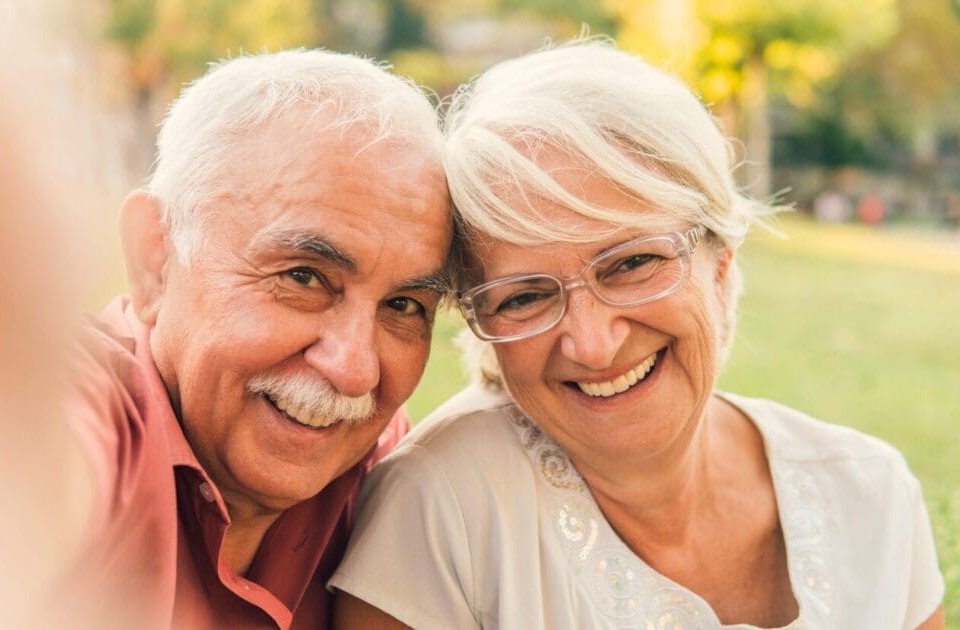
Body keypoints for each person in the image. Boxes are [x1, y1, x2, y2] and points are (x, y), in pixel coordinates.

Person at [330, 40, 945, 629]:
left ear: (720, 261)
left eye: (631, 263)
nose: (592, 344)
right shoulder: (441, 513)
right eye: (524, 297)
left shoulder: (870, 491)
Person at [63, 49, 452, 628]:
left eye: (403, 306)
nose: (353, 370)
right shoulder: (70, 407)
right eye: (303, 277)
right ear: (155, 260)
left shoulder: (395, 478)